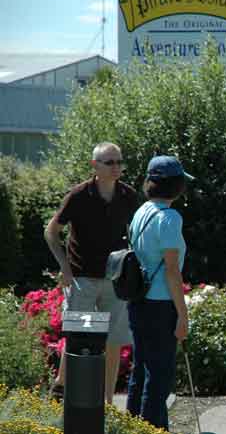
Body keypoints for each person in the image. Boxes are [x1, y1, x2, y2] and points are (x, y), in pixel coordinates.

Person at [44, 142, 138, 403]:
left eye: (119, 162)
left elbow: (138, 233)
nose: (116, 167)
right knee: (77, 336)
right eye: (110, 162)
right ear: (94, 165)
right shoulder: (78, 195)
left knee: (113, 341)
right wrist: (64, 267)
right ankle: (62, 389)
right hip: (82, 277)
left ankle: (107, 403)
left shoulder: (128, 195)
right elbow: (51, 232)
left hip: (115, 279)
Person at [126, 156, 193, 430]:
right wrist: (183, 314)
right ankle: (154, 429)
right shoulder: (169, 217)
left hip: (138, 300)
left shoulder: (142, 211)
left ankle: (130, 426)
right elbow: (171, 271)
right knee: (159, 376)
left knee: (140, 370)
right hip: (160, 304)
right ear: (176, 186)